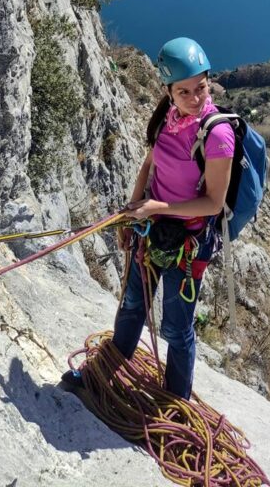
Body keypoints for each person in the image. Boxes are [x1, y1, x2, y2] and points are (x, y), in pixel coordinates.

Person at [111, 36, 235, 399]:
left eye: (201, 87)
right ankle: (111, 372)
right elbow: (149, 164)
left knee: (177, 331)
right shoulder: (167, 118)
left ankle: (175, 401)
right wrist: (132, 213)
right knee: (133, 304)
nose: (195, 98)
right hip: (150, 230)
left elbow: (213, 203)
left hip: (187, 246)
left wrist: (156, 209)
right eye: (184, 91)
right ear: (167, 91)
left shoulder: (217, 135)